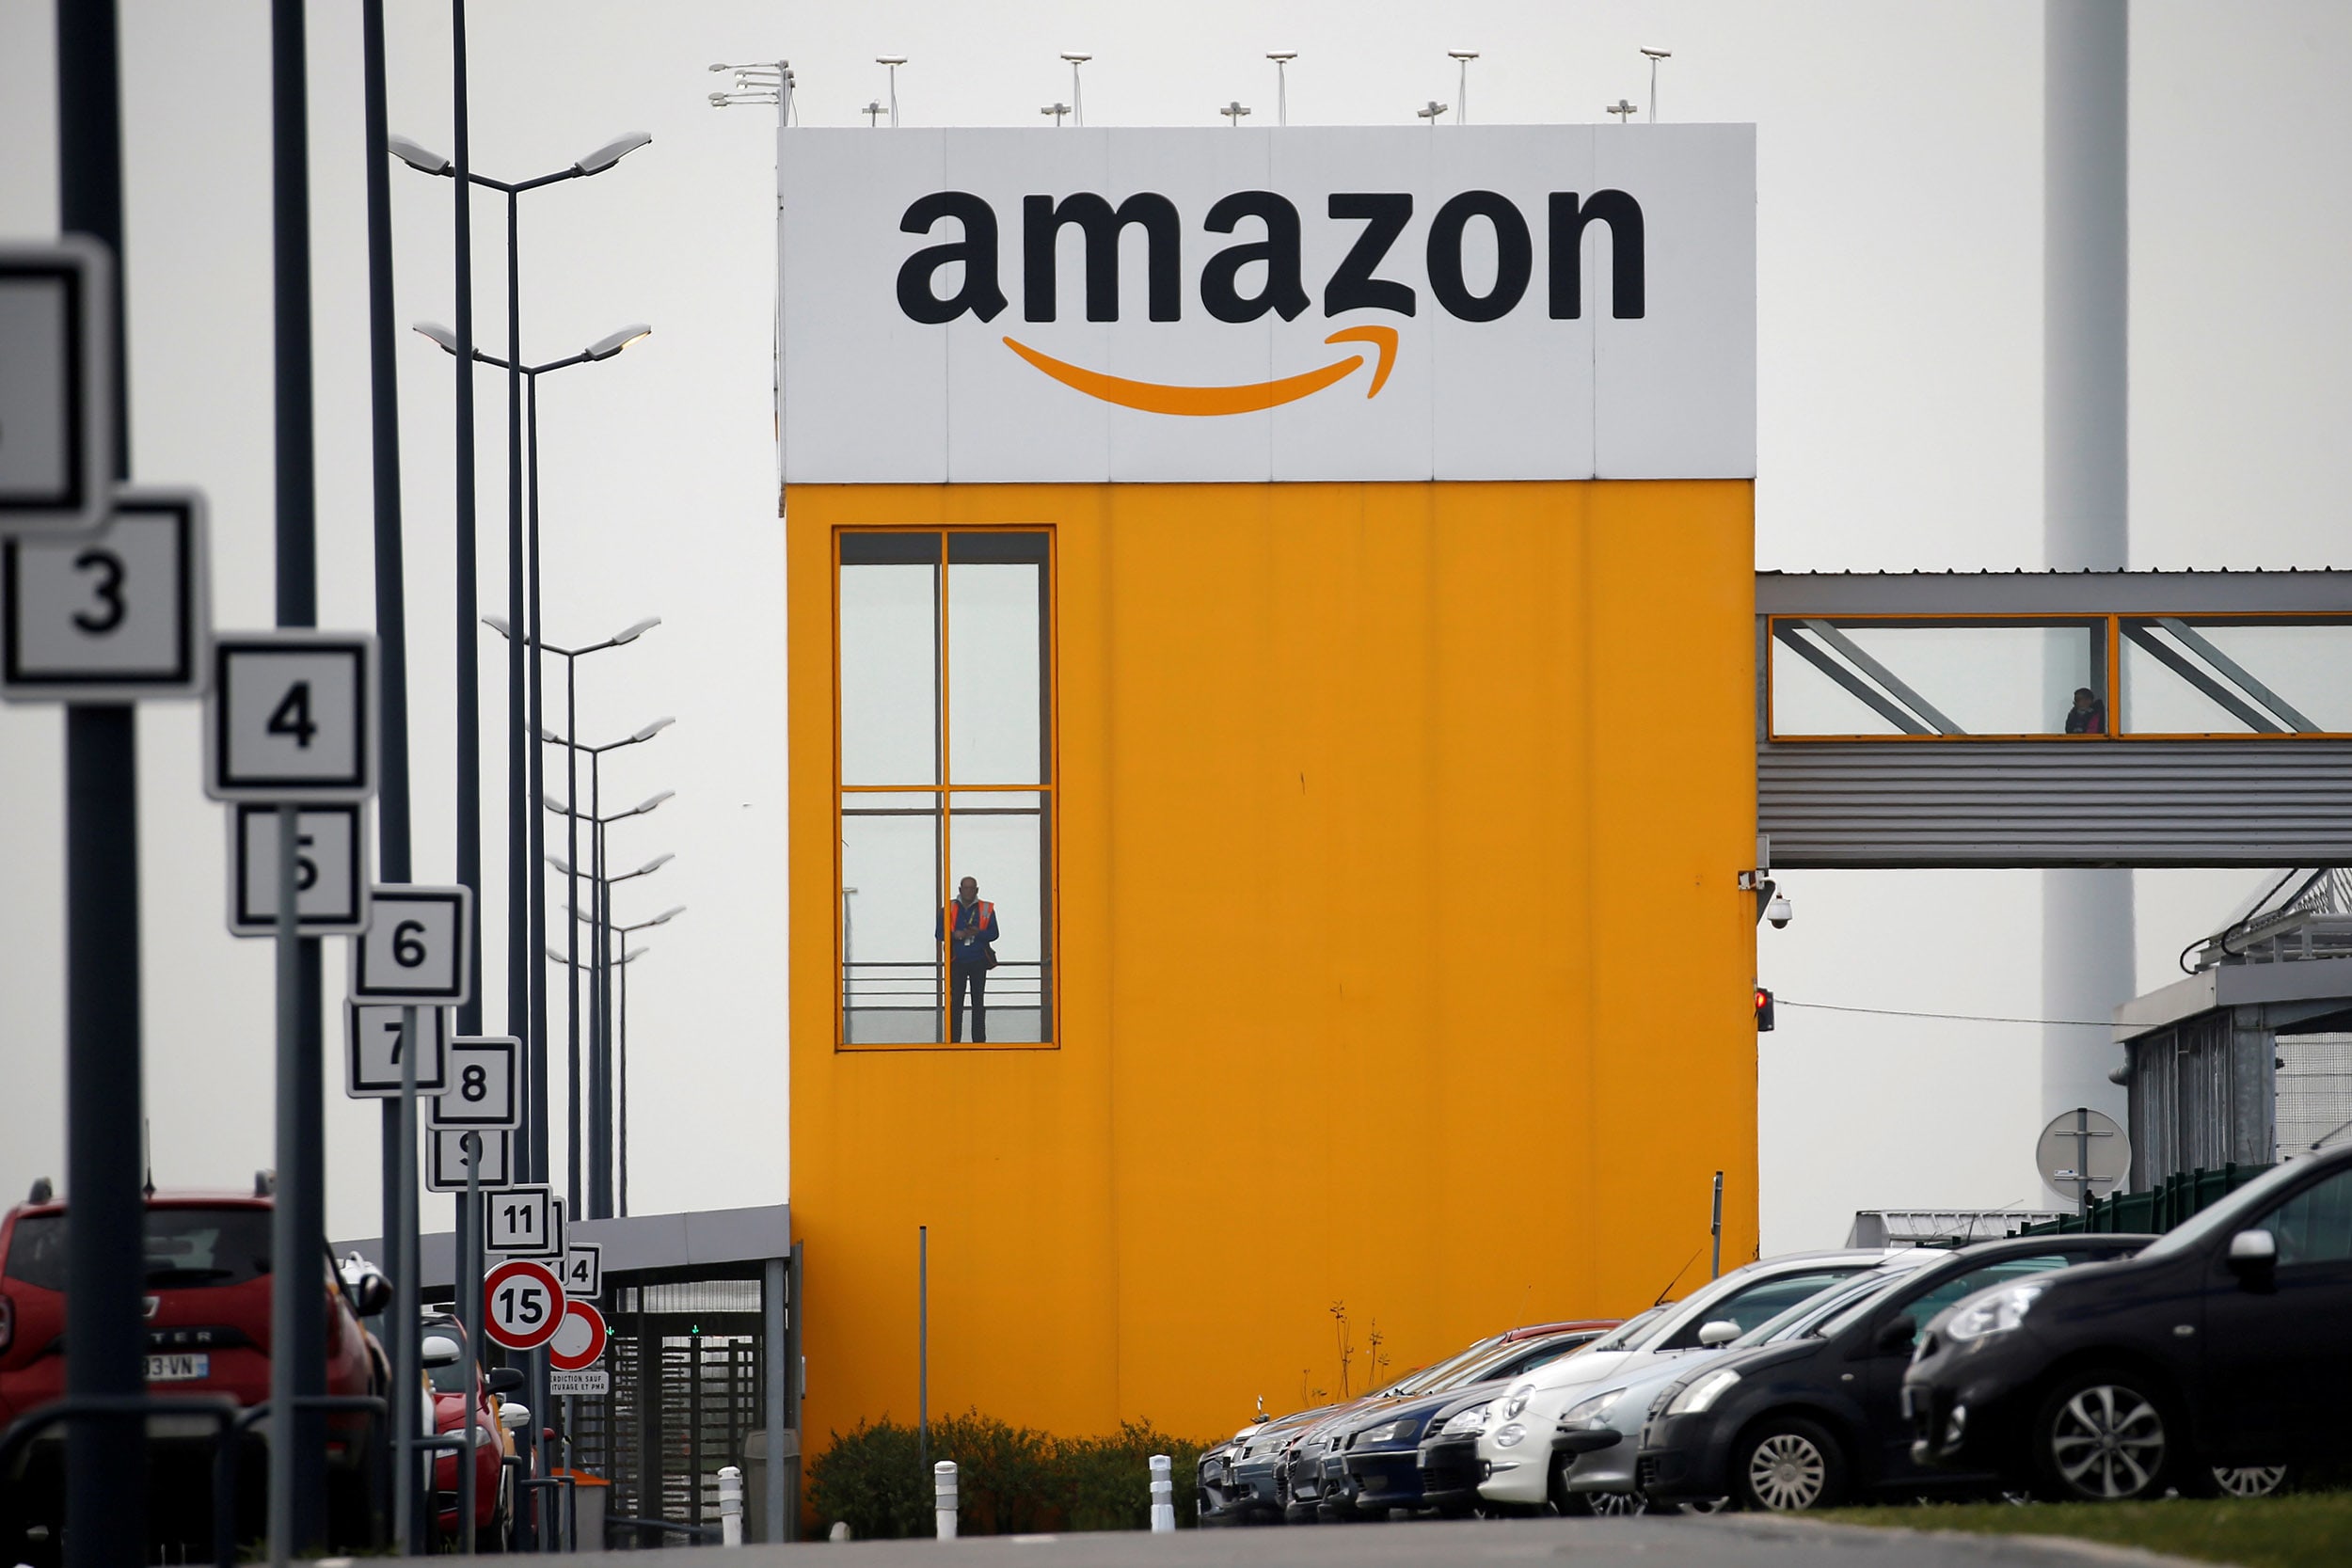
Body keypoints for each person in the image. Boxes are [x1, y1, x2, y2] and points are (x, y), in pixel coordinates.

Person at [936, 876, 999, 1042]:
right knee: (956, 1003)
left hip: (978, 961)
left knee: (978, 1002)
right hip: (957, 962)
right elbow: (939, 933)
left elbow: (994, 934)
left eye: (972, 888)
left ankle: (979, 1040)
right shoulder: (948, 909)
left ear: (977, 890)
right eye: (966, 888)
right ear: (960, 889)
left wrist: (978, 932)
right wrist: (954, 935)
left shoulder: (986, 909)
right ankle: (953, 1040)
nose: (969, 891)